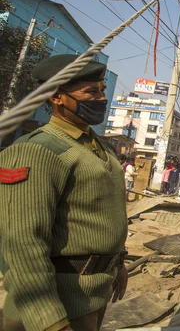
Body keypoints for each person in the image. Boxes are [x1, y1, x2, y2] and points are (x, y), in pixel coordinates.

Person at [0, 54, 128, 331]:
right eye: (89, 91)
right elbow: (22, 244)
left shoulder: (98, 146)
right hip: (55, 305)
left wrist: (118, 264)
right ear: (57, 97)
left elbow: (102, 215)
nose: (100, 98)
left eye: (102, 90)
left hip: (93, 295)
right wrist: (49, 321)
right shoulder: (36, 150)